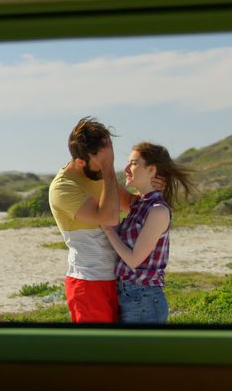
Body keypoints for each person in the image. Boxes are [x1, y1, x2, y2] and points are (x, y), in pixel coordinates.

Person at [101, 142, 194, 324]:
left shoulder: (158, 211)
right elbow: (111, 186)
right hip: (130, 295)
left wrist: (107, 229)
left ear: (152, 170)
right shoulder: (139, 204)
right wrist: (102, 164)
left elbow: (135, 260)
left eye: (134, 163)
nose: (127, 168)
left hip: (144, 299)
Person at [48, 117, 128, 323]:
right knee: (97, 352)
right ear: (80, 161)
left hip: (118, 279)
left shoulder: (98, 175)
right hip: (89, 284)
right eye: (101, 161)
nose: (104, 166)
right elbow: (108, 217)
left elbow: (131, 204)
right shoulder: (62, 187)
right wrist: (109, 168)